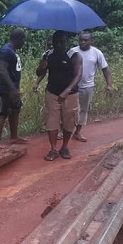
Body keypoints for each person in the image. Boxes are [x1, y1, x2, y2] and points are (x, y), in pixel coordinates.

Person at [36, 30, 82, 161]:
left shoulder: (74, 56)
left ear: (66, 42)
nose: (59, 45)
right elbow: (39, 72)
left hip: (70, 94)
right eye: (56, 42)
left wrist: (67, 90)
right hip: (52, 92)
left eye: (62, 42)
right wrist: (42, 67)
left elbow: (78, 75)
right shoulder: (47, 55)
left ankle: (65, 146)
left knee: (69, 121)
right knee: (52, 122)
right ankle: (53, 149)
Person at [68, 31, 115, 142]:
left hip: (87, 86)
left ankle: (77, 132)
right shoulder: (72, 52)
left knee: (83, 110)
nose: (82, 42)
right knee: (69, 110)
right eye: (81, 40)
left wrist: (109, 85)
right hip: (72, 86)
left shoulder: (96, 53)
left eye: (85, 40)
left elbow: (105, 70)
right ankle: (63, 130)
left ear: (91, 41)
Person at [0, 28, 27, 146]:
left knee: (16, 109)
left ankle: (14, 137)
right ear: (19, 39)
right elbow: (2, 69)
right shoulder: (5, 51)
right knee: (1, 112)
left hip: (11, 88)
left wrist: (15, 89)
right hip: (1, 88)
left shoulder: (12, 50)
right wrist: (12, 88)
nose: (24, 43)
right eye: (23, 40)